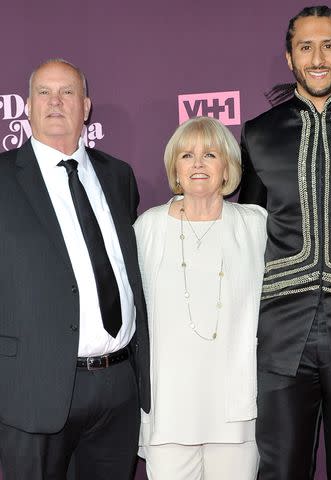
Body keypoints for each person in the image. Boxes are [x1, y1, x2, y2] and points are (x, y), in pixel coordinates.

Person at [239, 5, 331, 480]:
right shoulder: (259, 134)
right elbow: (244, 231)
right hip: (281, 337)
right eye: (305, 46)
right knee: (281, 471)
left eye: (329, 45)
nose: (318, 56)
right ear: (289, 57)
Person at [0, 58, 150, 480]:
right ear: (26, 106)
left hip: (119, 385)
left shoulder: (118, 175)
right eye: (43, 92)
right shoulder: (2, 178)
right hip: (32, 386)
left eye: (67, 92)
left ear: (86, 106)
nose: (55, 101)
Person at [133, 116, 267, 480]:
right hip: (168, 408)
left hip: (235, 410)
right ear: (174, 168)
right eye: (187, 155)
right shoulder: (148, 227)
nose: (197, 164)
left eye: (210, 154)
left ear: (228, 168)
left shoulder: (256, 225)